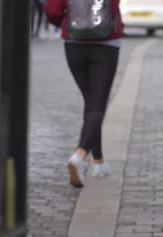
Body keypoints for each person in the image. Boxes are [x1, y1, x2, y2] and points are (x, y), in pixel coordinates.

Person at [44, 0, 124, 187]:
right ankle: (79, 155)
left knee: (91, 102)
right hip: (107, 43)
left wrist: (65, 21)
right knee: (97, 104)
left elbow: (52, 10)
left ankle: (99, 162)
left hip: (74, 42)